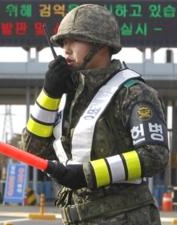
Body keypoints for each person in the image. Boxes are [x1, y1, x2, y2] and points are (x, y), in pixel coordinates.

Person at [22, 4, 169, 225]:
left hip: (126, 218)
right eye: (63, 42)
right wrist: (49, 94)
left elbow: (154, 155)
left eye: (74, 40)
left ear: (101, 45)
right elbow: (33, 149)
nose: (66, 48)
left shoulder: (133, 92)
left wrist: (87, 174)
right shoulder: (63, 92)